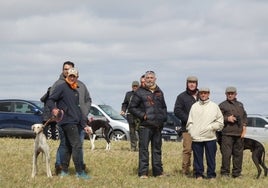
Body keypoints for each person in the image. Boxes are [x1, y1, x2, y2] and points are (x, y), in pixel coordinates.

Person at [47, 67, 91, 179]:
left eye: (74, 76)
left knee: (67, 147)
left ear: (77, 77)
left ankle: (64, 172)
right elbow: (50, 100)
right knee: (76, 145)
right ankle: (80, 172)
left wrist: (84, 125)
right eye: (70, 76)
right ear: (66, 76)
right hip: (67, 122)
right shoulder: (62, 87)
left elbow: (77, 110)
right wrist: (54, 109)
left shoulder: (75, 91)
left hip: (73, 121)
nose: (71, 78)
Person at [128, 71, 167, 178]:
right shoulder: (139, 92)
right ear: (144, 79)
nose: (149, 79)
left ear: (155, 79)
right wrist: (143, 115)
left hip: (157, 126)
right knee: (144, 150)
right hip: (145, 126)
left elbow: (164, 107)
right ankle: (143, 173)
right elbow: (132, 108)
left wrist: (163, 118)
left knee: (157, 150)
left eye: (151, 77)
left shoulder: (159, 92)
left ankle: (158, 172)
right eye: (147, 78)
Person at [186, 87, 224, 179]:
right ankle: (199, 175)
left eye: (205, 93)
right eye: (202, 93)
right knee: (198, 158)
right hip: (197, 137)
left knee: (211, 158)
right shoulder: (194, 106)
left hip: (210, 137)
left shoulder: (214, 106)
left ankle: (211, 175)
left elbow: (220, 122)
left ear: (209, 94)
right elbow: (189, 122)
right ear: (199, 94)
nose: (203, 95)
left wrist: (211, 127)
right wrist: (192, 132)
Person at [219, 86, 247, 178]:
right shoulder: (222, 105)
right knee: (226, 155)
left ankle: (237, 173)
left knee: (238, 155)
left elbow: (244, 116)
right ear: (226, 94)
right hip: (227, 134)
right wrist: (227, 118)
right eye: (228, 93)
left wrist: (244, 126)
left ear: (236, 94)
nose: (230, 95)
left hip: (239, 134)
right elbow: (217, 118)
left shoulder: (240, 105)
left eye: (232, 93)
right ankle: (224, 173)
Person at [174, 76, 199, 176]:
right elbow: (177, 111)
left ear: (197, 84)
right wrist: (189, 119)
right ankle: (185, 171)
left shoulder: (201, 95)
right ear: (187, 84)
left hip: (200, 129)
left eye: (194, 82)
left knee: (198, 151)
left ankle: (197, 171)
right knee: (187, 150)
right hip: (187, 128)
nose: (192, 84)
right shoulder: (181, 97)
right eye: (190, 82)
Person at [121, 80, 140, 151]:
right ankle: (133, 147)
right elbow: (125, 103)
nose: (134, 87)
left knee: (140, 132)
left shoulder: (141, 94)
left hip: (139, 116)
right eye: (133, 86)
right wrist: (123, 110)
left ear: (139, 86)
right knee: (132, 132)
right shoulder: (128, 94)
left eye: (136, 86)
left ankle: (141, 147)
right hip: (130, 116)